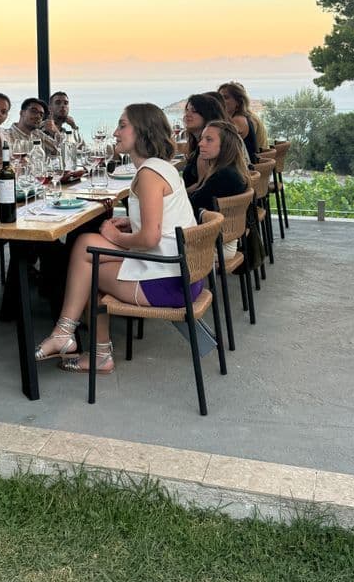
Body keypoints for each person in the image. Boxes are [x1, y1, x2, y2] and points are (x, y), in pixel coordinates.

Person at [35, 103, 199, 375]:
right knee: (86, 248)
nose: (115, 132)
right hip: (181, 270)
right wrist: (130, 222)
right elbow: (161, 222)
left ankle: (69, 336)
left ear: (143, 132)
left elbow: (149, 237)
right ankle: (77, 342)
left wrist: (113, 235)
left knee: (86, 261)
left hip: (168, 280)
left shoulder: (148, 175)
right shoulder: (161, 167)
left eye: (122, 125)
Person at [187, 121, 250, 257]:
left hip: (218, 247)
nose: (200, 144)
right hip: (225, 241)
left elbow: (191, 207)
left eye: (209, 140)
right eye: (202, 138)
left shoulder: (224, 176)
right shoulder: (229, 170)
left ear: (225, 145)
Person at [182, 93, 227, 189]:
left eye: (194, 111)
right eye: (187, 110)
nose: (187, 114)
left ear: (207, 115)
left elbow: (201, 187)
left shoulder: (208, 152)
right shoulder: (197, 145)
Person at [218, 82, 258, 161]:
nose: (221, 101)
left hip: (245, 169)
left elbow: (223, 146)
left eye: (226, 98)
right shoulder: (240, 117)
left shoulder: (238, 120)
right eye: (219, 98)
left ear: (238, 102)